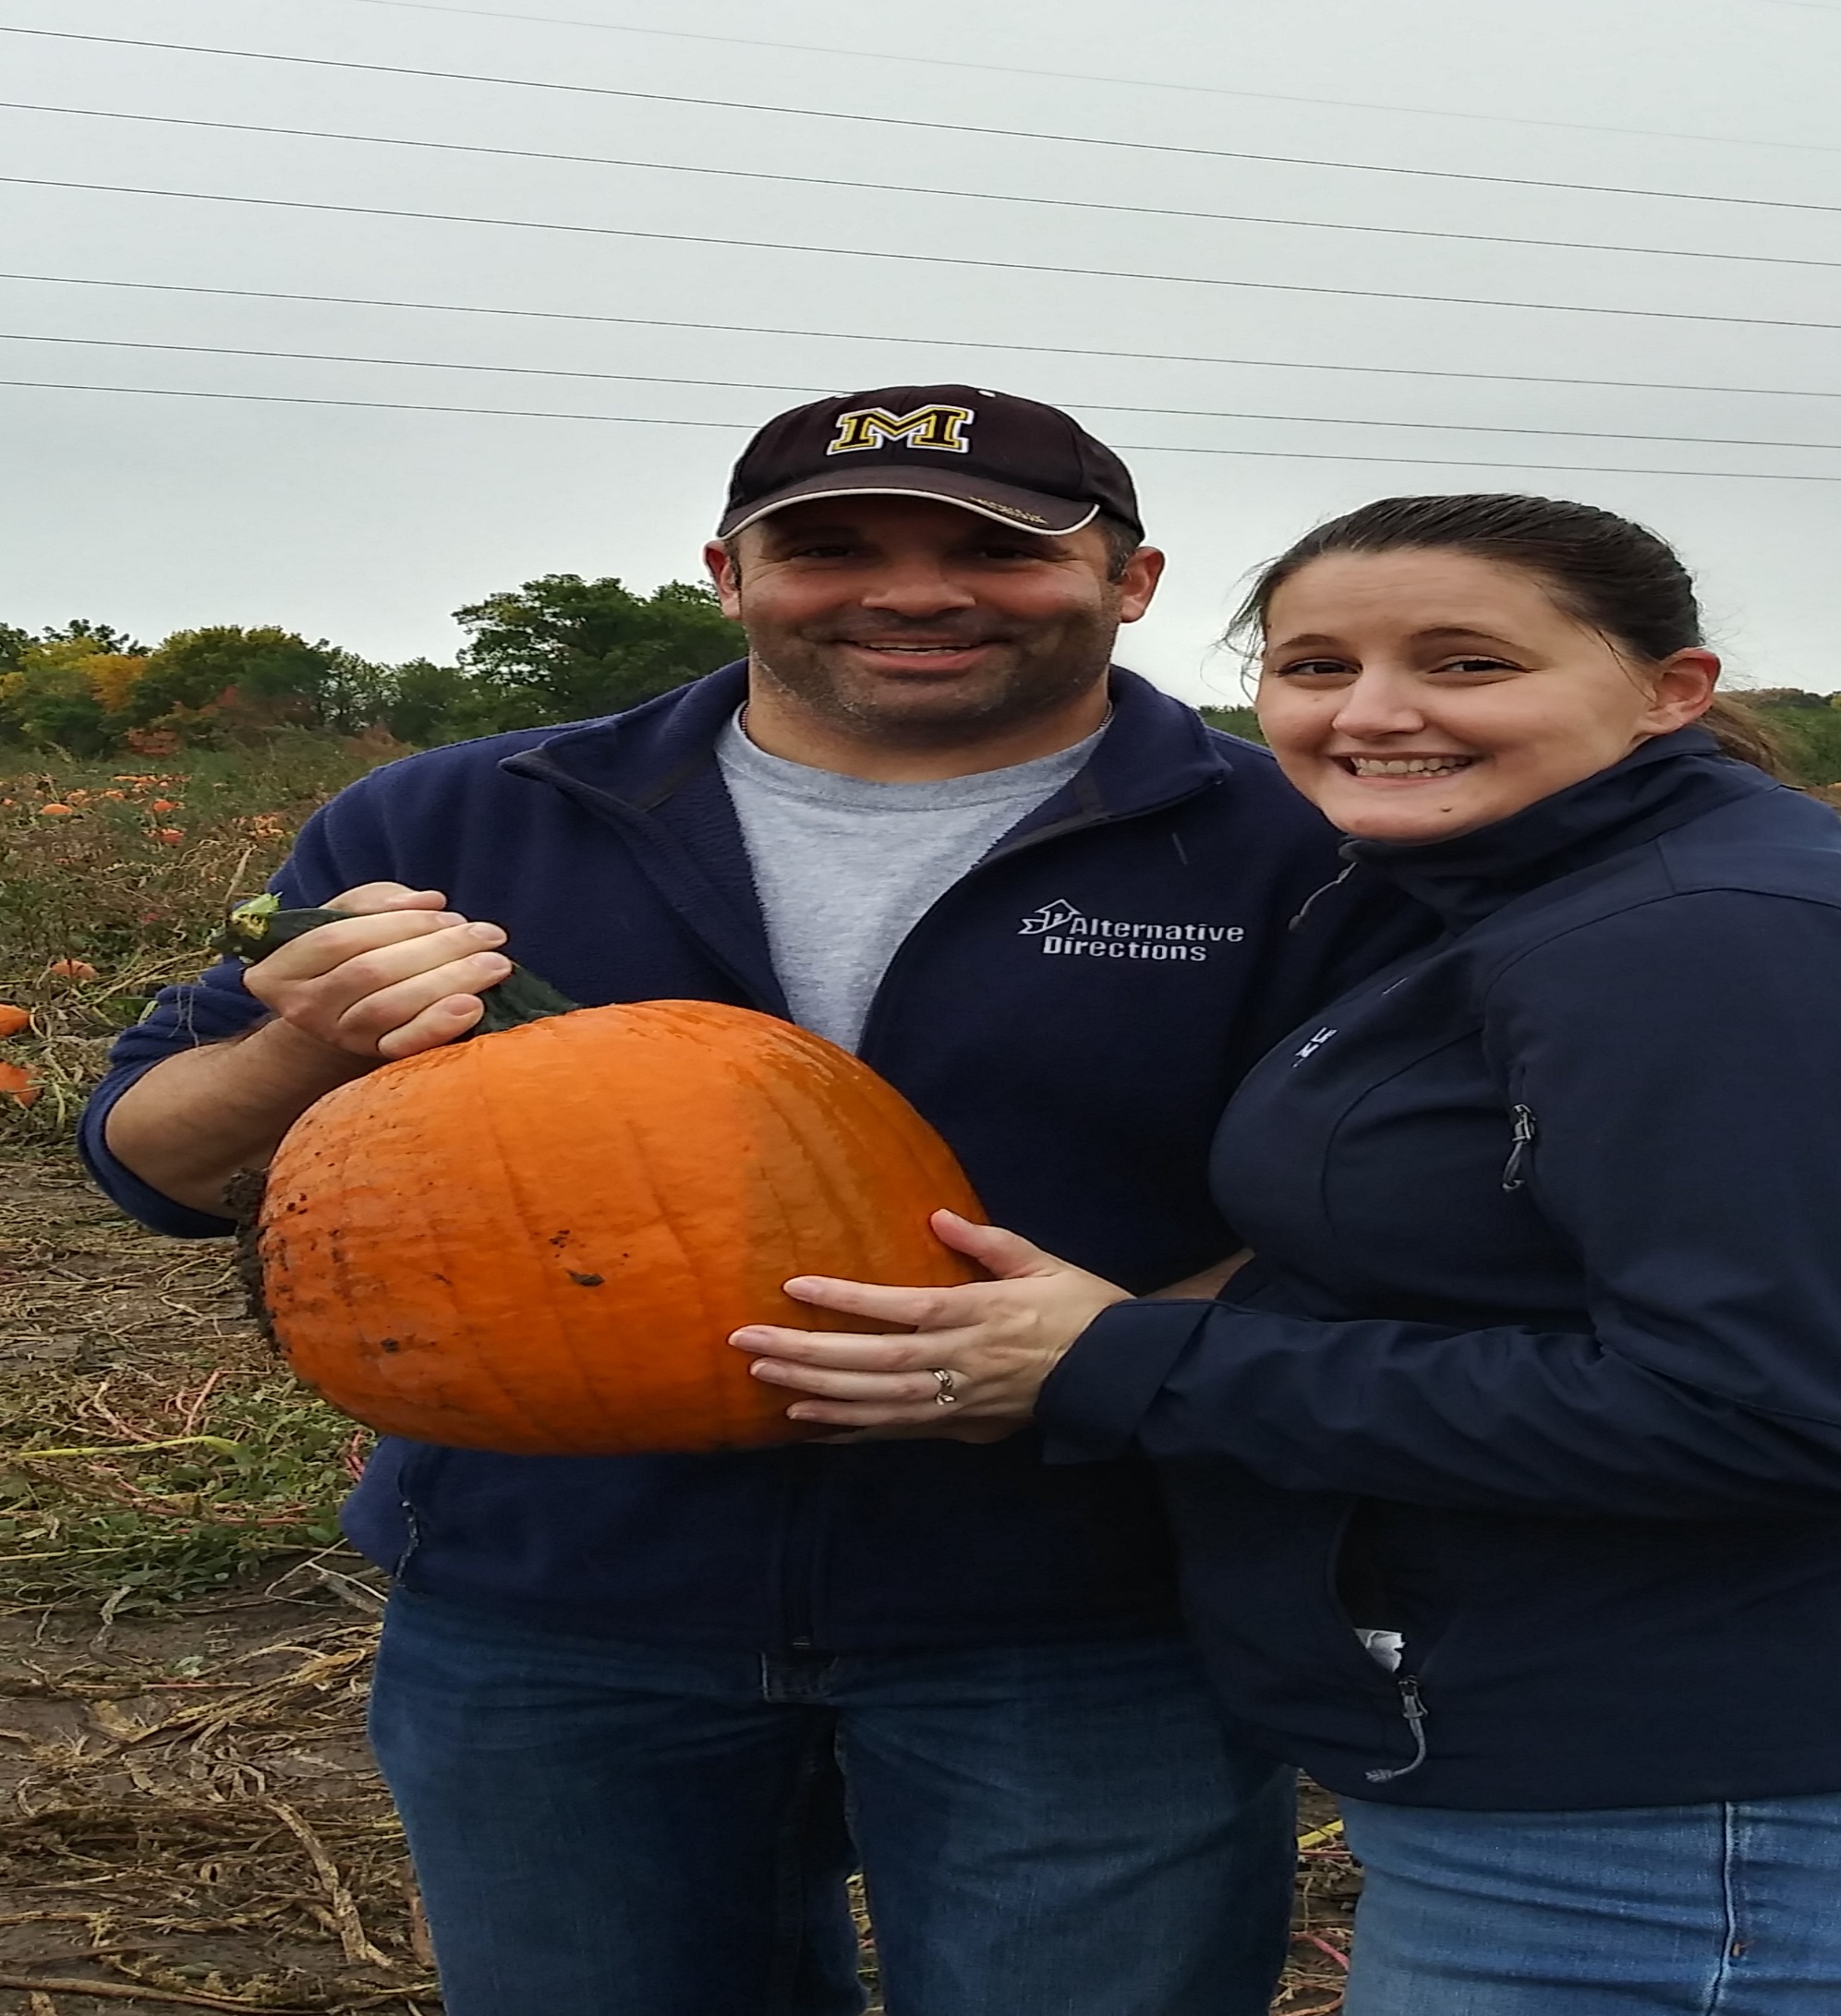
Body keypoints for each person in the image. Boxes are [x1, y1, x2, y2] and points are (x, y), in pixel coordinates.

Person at [79, 388, 1428, 2016]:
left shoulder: (1307, 840)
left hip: (1087, 1601)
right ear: (728, 571)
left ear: (1130, 583)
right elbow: (152, 1164)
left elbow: (1411, 1215)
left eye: (993, 549)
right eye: (831, 546)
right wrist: (303, 1036)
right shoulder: (458, 817)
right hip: (558, 1600)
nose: (913, 588)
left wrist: (1125, 1350)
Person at [737, 492, 1841, 2013]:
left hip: (1726, 1790)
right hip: (1574, 1742)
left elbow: (1779, 1409)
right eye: (1315, 665)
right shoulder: (1511, 906)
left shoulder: (1730, 949)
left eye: (1466, 665)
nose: (1374, 711)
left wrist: (1124, 1362)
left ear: (1673, 687)